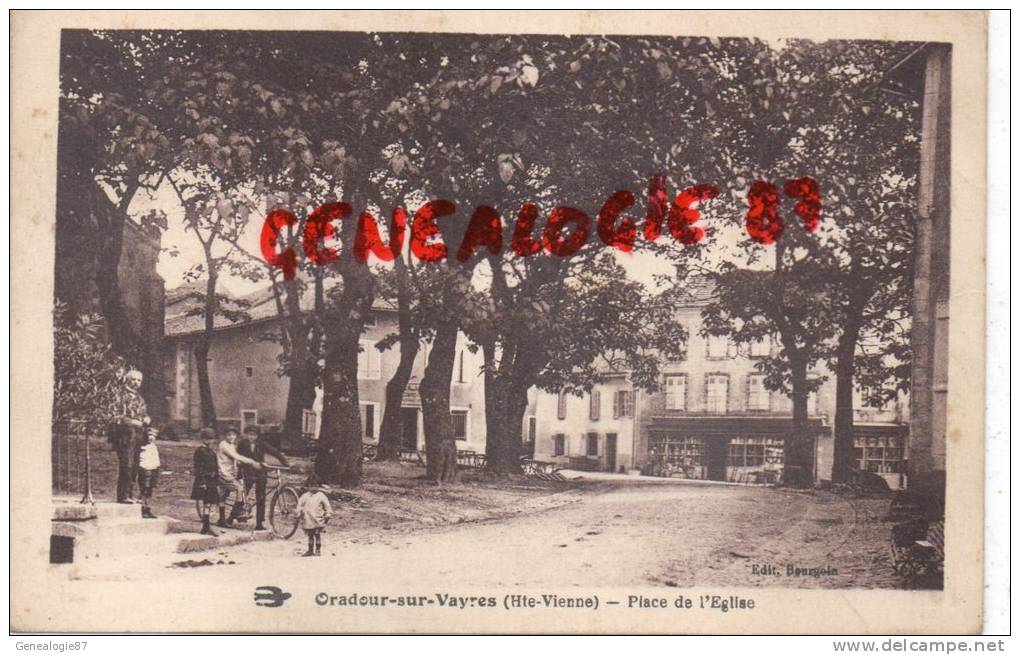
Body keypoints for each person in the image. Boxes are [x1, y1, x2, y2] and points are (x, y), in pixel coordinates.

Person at [238, 425, 290, 531]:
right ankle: (233, 516)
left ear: (257, 436)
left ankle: (259, 523)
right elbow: (238, 457)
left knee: (261, 496)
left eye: (254, 435)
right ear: (246, 434)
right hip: (247, 471)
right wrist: (240, 468)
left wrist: (284, 461)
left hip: (260, 471)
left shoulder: (261, 443)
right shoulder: (242, 444)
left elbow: (273, 451)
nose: (252, 437)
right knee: (243, 494)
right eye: (250, 434)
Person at [113, 369, 149, 504]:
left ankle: (130, 494)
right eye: (133, 379)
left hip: (138, 436)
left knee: (134, 465)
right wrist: (131, 421)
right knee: (126, 465)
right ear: (127, 380)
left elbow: (144, 413)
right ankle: (122, 495)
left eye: (139, 380)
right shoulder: (120, 395)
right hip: (124, 436)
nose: (136, 383)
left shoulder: (140, 398)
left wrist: (146, 418)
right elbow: (116, 416)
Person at [217, 427, 261, 528]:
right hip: (224, 473)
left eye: (233, 435)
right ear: (225, 436)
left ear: (236, 436)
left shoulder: (232, 445)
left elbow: (235, 458)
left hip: (230, 473)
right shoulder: (223, 445)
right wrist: (251, 461)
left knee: (223, 497)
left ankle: (222, 520)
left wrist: (240, 463)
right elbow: (235, 456)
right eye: (228, 435)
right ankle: (239, 512)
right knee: (240, 489)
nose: (231, 437)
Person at [190, 427, 221, 536]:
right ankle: (205, 526)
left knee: (209, 503)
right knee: (206, 503)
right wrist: (202, 481)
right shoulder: (200, 451)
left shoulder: (211, 451)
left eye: (211, 439)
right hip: (204, 480)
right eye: (207, 439)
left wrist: (217, 479)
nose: (209, 441)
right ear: (202, 439)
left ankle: (206, 526)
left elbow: (215, 466)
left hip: (212, 480)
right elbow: (198, 467)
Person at [297, 478, 332, 557]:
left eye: (316, 486)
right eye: (311, 486)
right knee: (310, 535)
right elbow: (299, 505)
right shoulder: (304, 496)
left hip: (317, 519)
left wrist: (328, 513)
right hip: (308, 519)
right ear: (308, 486)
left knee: (317, 534)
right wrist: (299, 512)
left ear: (318, 486)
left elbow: (327, 506)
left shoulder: (321, 495)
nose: (313, 488)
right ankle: (310, 550)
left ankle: (318, 550)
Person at [137, 427, 161, 518]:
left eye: (154, 436)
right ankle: (143, 508)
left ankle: (148, 508)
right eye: (150, 435)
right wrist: (144, 469)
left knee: (150, 490)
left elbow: (155, 459)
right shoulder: (143, 446)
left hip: (153, 469)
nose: (151, 438)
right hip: (145, 470)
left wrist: (157, 468)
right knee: (144, 490)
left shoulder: (153, 446)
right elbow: (141, 460)